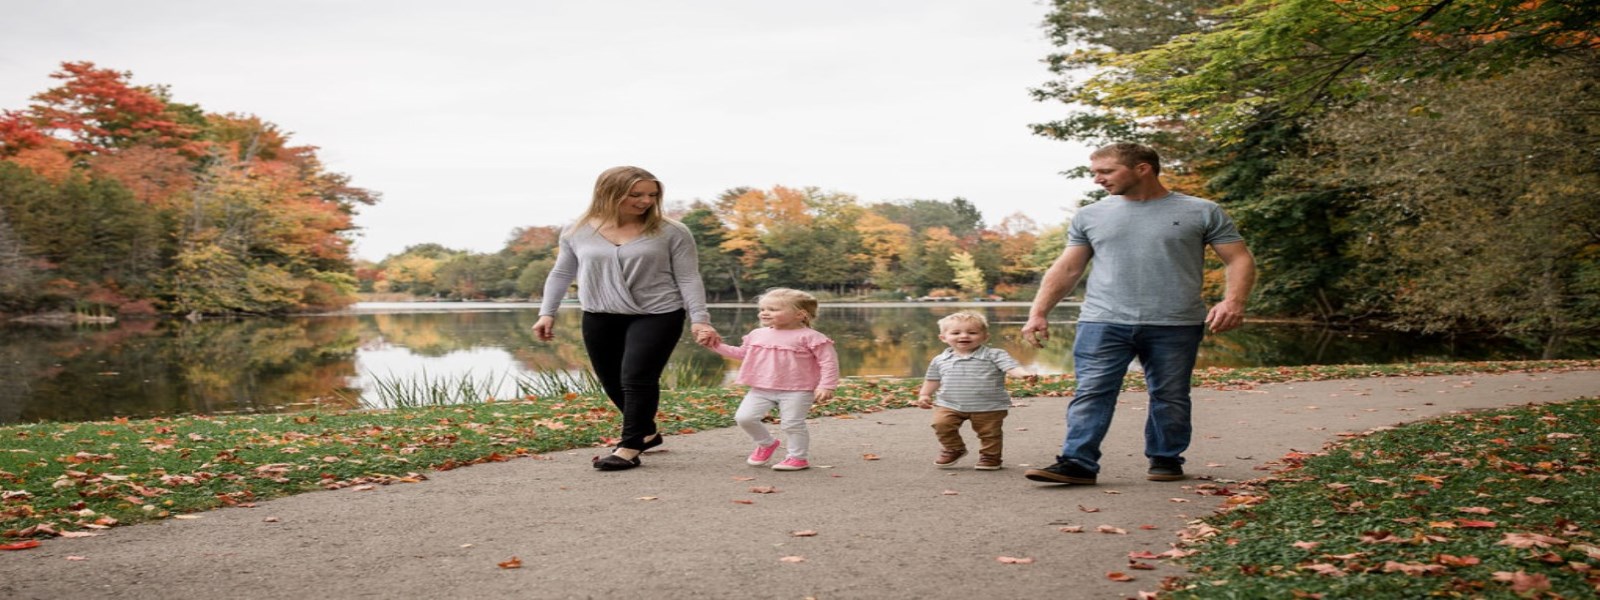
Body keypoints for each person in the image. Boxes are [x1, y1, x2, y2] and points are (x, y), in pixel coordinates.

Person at [1020, 142, 1255, 485]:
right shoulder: (1091, 215)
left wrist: (1233, 301)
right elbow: (1069, 268)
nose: (1098, 179)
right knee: (1092, 391)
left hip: (1175, 322)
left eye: (1106, 171)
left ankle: (1165, 458)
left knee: (1170, 394)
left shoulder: (1202, 211)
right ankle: (1077, 462)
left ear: (1142, 168)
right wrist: (1038, 311)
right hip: (1103, 320)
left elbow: (1239, 258)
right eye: (1095, 173)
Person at [532, 166, 721, 472]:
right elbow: (562, 273)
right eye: (636, 194)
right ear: (609, 193)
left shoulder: (672, 231)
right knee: (612, 381)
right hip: (599, 314)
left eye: (652, 194)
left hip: (658, 313)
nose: (646, 200)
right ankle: (646, 432)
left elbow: (688, 278)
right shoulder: (577, 230)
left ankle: (629, 446)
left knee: (637, 377)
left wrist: (700, 319)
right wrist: (546, 312)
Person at [700, 288, 839, 471]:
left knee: (792, 424)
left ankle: (797, 458)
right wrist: (715, 345)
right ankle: (766, 443)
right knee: (744, 418)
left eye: (773, 309)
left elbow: (828, 362)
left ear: (800, 314)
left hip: (798, 389)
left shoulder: (811, 337)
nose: (764, 312)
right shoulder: (758, 334)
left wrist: (826, 385)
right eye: (763, 308)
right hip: (761, 388)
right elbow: (742, 354)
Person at [915, 311, 1034, 471]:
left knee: (989, 434)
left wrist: (1024, 375)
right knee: (941, 424)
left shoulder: (995, 355)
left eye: (972, 332)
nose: (964, 336)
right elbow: (933, 379)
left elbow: (1011, 368)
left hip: (988, 406)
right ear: (943, 337)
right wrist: (924, 394)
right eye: (956, 333)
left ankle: (990, 457)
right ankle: (954, 448)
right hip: (949, 404)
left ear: (985, 336)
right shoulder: (940, 359)